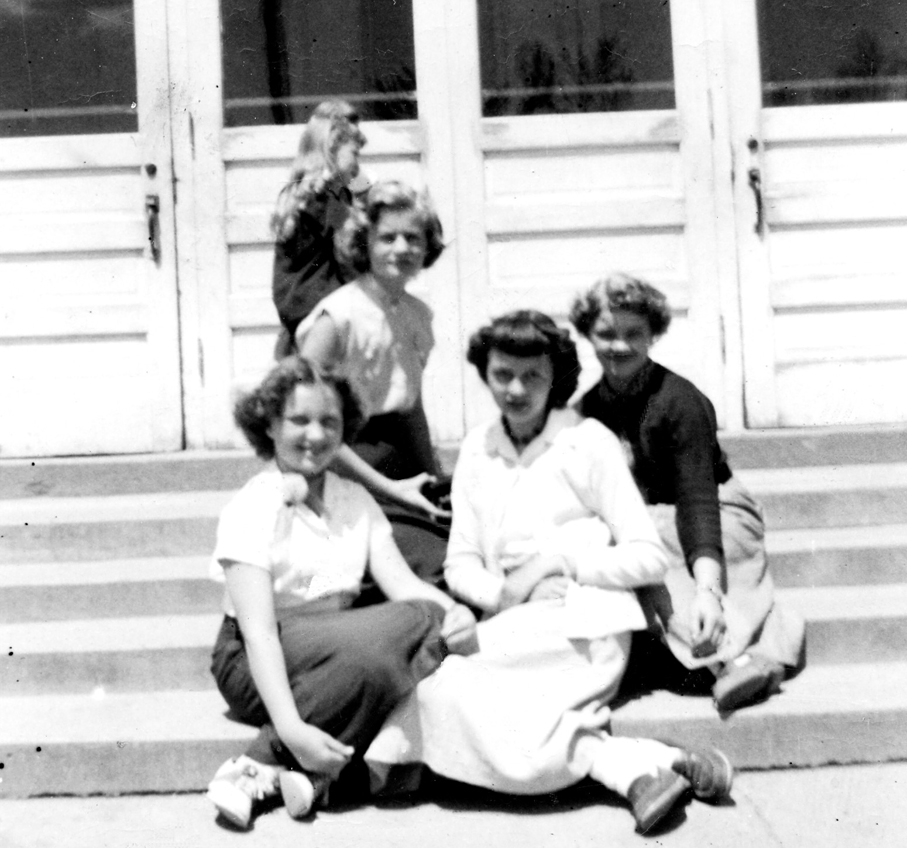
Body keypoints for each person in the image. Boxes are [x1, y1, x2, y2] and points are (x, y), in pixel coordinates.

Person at [365, 311, 733, 835]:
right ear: (485, 374)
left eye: (532, 376)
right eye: (502, 374)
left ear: (554, 377)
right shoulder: (478, 450)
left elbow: (649, 556)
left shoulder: (588, 442)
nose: (515, 390)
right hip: (513, 622)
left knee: (514, 745)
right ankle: (647, 760)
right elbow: (461, 563)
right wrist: (508, 592)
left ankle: (629, 773)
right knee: (436, 692)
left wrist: (560, 562)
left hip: (587, 623)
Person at [206, 357, 477, 830]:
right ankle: (264, 757)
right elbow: (259, 634)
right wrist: (291, 728)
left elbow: (405, 585)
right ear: (269, 425)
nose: (316, 434)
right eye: (299, 420)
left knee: (418, 631)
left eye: (329, 421)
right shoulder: (252, 506)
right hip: (254, 658)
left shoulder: (354, 499)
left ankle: (314, 779)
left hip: (340, 649)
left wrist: (458, 613)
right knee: (405, 632)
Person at [571, 273, 806, 712]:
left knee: (654, 547)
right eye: (606, 333)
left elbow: (697, 499)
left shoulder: (680, 401)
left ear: (653, 335)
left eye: (633, 333)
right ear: (588, 334)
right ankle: (766, 641)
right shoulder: (587, 409)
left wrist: (708, 591)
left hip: (716, 508)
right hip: (649, 519)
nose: (619, 346)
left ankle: (728, 662)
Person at [295, 179, 451, 584]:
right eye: (387, 237)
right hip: (343, 463)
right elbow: (306, 422)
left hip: (399, 461)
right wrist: (391, 489)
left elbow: (410, 407)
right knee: (427, 560)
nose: (402, 248)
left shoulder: (416, 314)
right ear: (365, 243)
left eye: (413, 238)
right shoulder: (338, 317)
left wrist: (431, 475)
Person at [270, 100, 369, 357]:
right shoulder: (326, 198)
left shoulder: (302, 193)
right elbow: (352, 254)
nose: (358, 166)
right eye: (355, 154)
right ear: (332, 149)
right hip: (321, 317)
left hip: (300, 313)